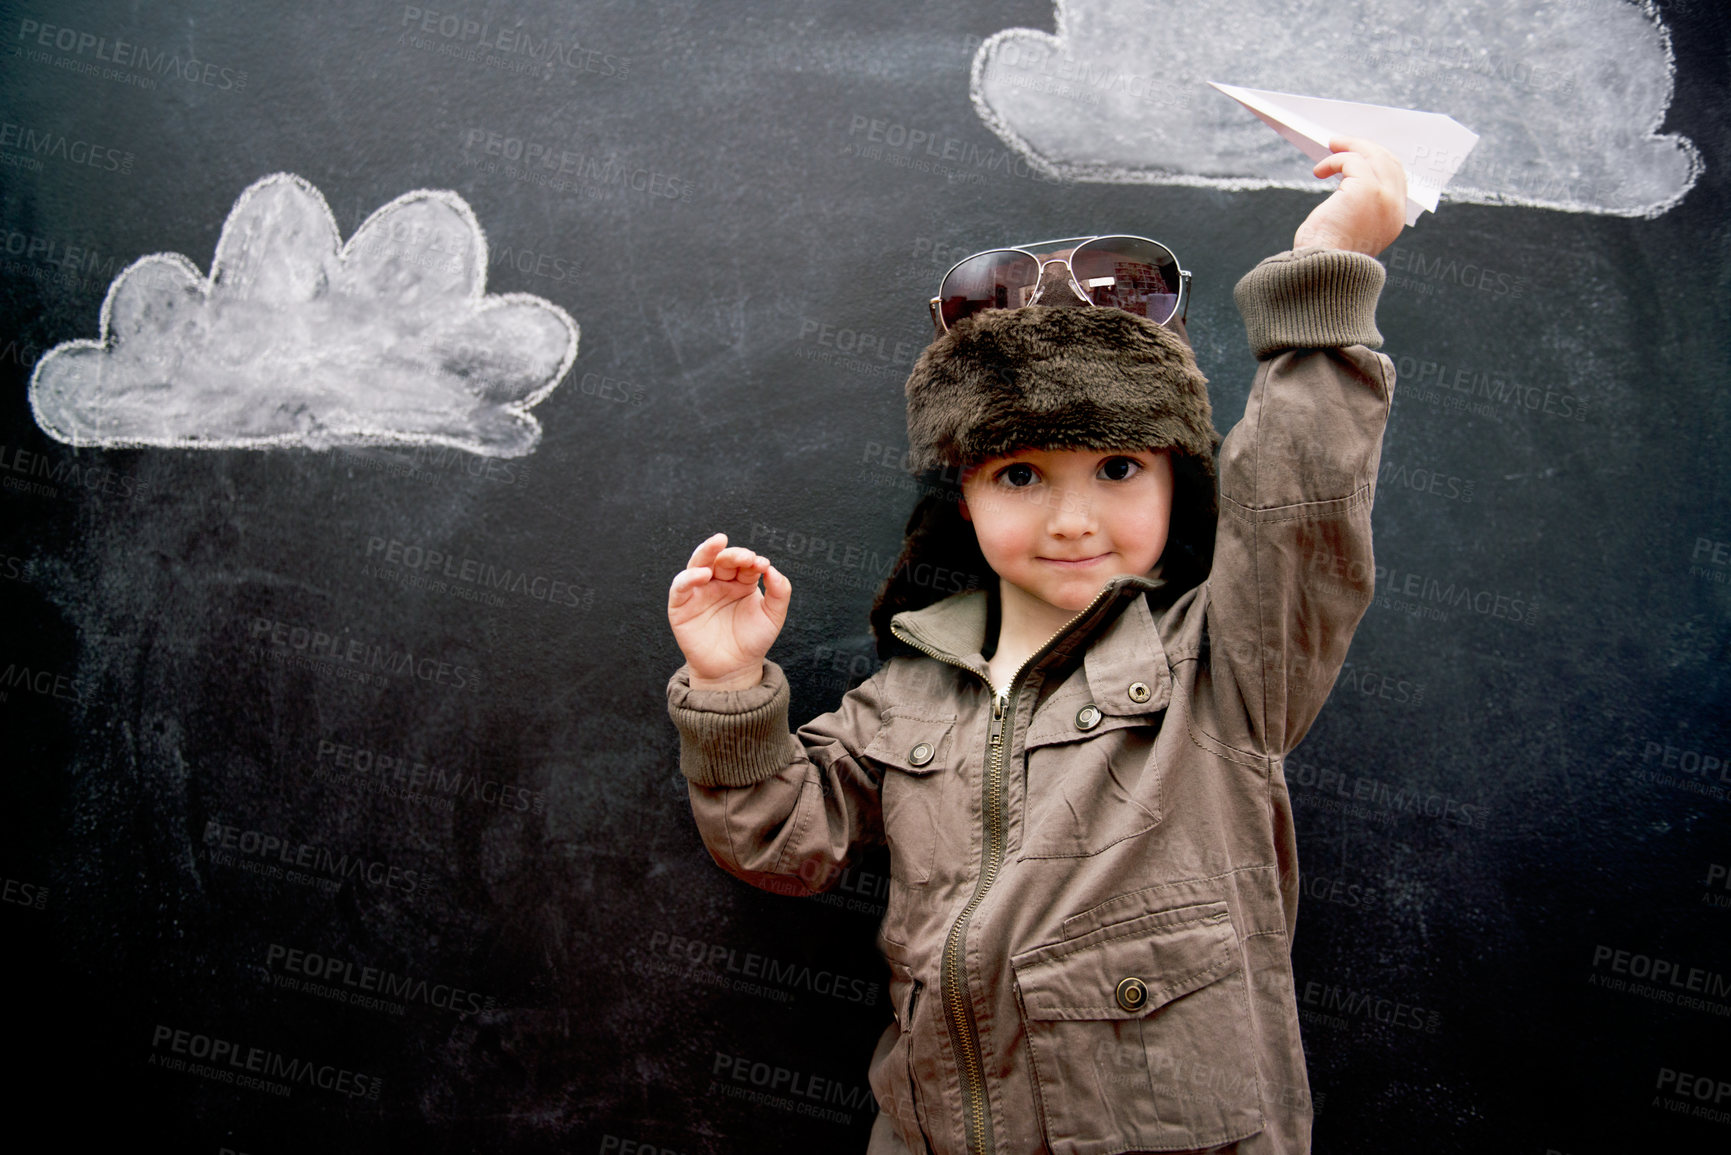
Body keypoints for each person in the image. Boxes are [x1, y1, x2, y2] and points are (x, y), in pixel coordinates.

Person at [665, 138, 1408, 1155]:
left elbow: (1301, 500)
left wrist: (1327, 267)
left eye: (1116, 468)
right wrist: (731, 680)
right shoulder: (911, 690)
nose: (1070, 519)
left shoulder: (1221, 662)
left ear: (1176, 480)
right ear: (962, 499)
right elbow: (781, 845)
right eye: (1019, 476)